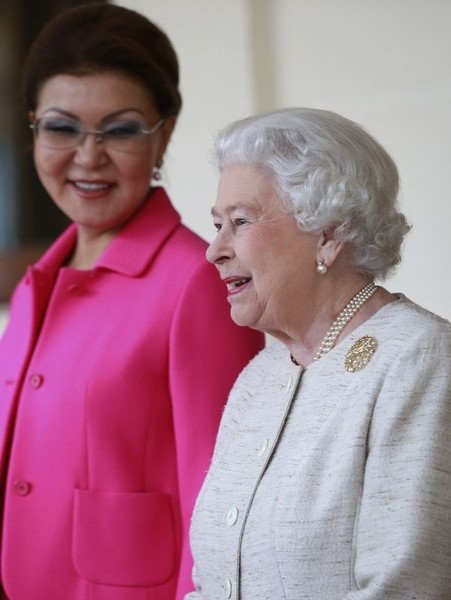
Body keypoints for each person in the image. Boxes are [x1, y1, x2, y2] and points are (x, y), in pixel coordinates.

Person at [0, 5, 264, 600]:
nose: (88, 157)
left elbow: (223, 500)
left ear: (163, 133)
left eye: (119, 130)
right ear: (33, 127)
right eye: (62, 127)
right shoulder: (35, 283)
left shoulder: (199, 283)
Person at [186, 107, 451, 599]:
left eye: (240, 221)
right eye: (217, 224)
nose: (214, 250)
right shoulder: (258, 378)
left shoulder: (418, 359)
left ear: (329, 232)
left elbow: (405, 588)